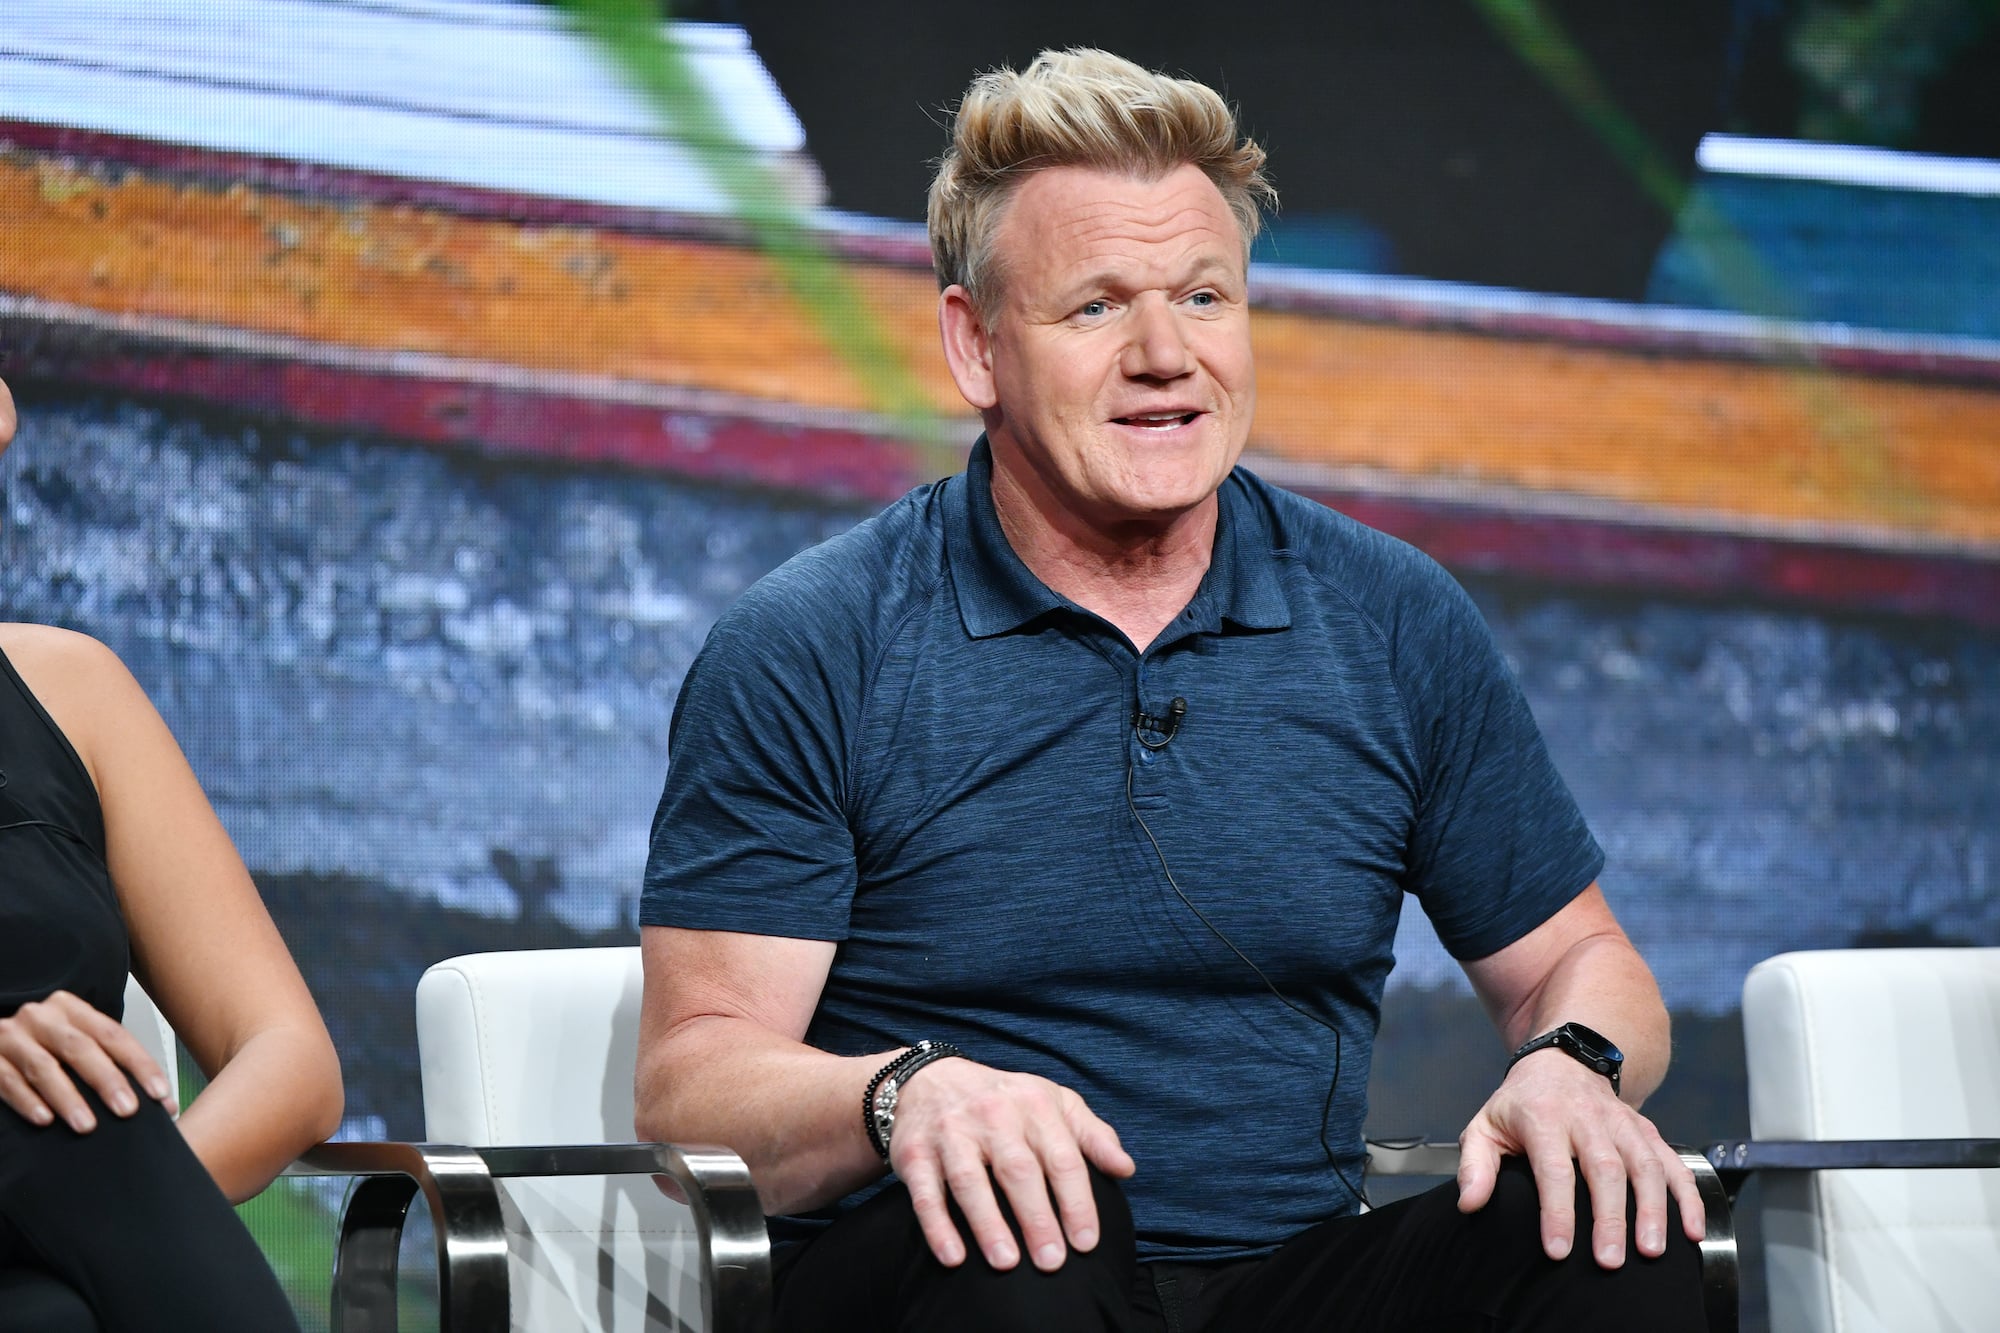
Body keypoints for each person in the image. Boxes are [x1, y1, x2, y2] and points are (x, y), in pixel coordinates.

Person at [636, 49, 1708, 1332]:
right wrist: (904, 1093)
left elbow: (1578, 959)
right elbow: (693, 1084)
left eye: (1203, 296)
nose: (1164, 355)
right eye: (1095, 307)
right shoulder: (815, 640)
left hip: (1284, 1278)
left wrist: (1572, 1063)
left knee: (1614, 1238)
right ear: (975, 344)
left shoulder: (1388, 616)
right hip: (956, 1275)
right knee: (1029, 1252)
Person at [0, 373, 344, 1330]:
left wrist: (120, 1202)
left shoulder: (72, 689)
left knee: (71, 1159)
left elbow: (289, 1059)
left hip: (67, 1206)